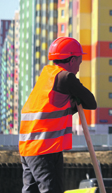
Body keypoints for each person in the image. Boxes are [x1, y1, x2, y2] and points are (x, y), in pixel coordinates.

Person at [19, 37, 97, 193]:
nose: (78, 69)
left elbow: (53, 109)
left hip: (28, 147)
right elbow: (91, 102)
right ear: (72, 60)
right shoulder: (65, 77)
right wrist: (76, 97)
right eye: (79, 63)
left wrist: (71, 103)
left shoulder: (47, 76)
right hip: (45, 148)